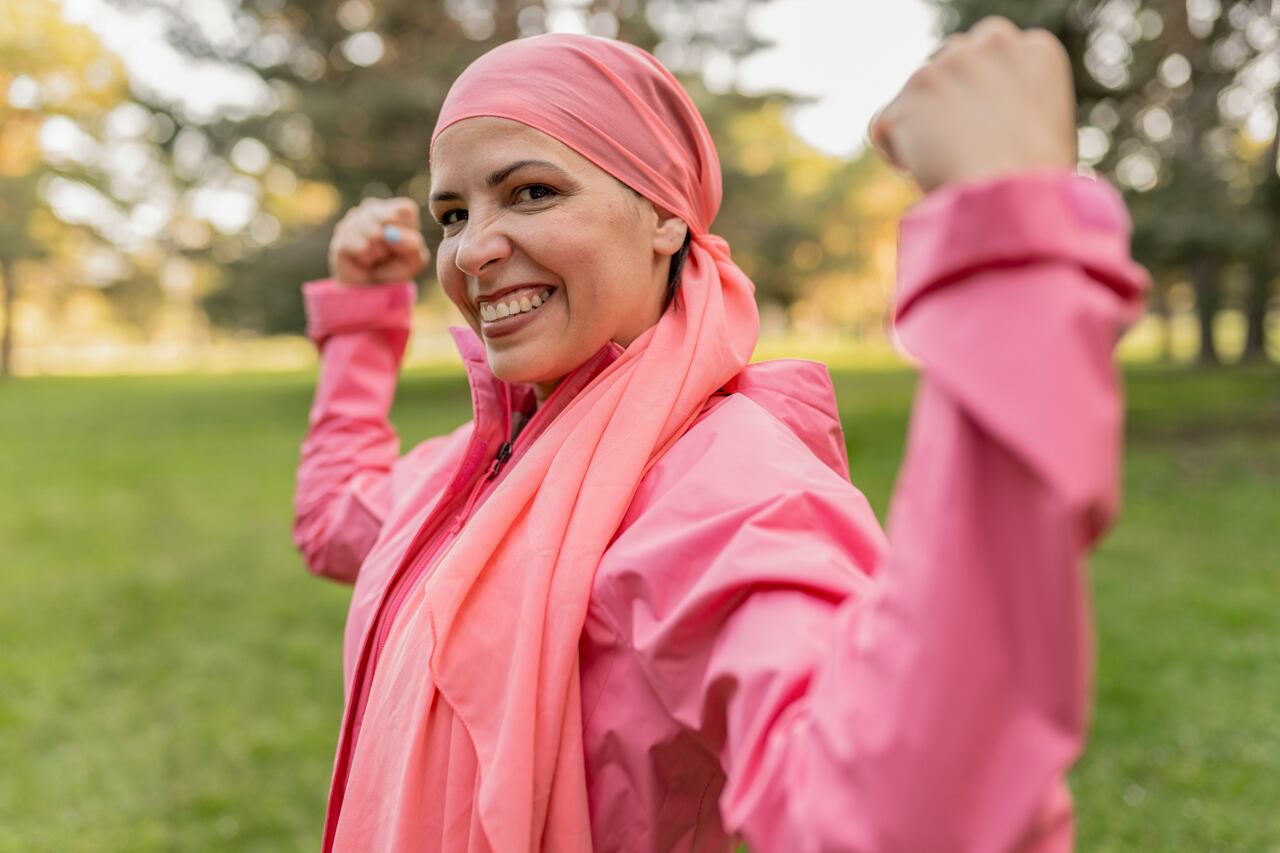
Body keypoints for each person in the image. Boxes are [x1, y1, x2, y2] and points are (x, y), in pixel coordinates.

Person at [293, 19, 1148, 853]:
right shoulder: (484, 464)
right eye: (451, 213)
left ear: (665, 216)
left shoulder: (722, 490)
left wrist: (1007, 258)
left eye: (532, 192)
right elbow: (336, 520)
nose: (474, 249)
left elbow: (903, 816)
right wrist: (365, 325)